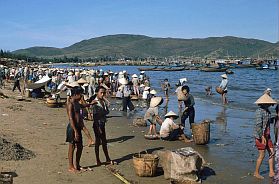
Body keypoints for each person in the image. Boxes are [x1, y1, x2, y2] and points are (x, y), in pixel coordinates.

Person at [253, 94, 277, 179]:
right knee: (262, 154)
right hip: (260, 136)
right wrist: (261, 136)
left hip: (267, 135)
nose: (270, 104)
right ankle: (256, 172)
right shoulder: (259, 112)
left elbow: (268, 121)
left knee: (272, 152)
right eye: (269, 103)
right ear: (263, 103)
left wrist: (275, 118)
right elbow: (258, 125)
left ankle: (271, 171)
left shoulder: (268, 111)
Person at [91, 86, 116, 166]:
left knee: (104, 142)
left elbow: (106, 112)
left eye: (104, 93)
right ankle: (98, 160)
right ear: (97, 93)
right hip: (97, 124)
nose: (102, 94)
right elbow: (95, 117)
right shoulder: (95, 102)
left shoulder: (103, 101)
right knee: (98, 142)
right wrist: (98, 128)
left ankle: (107, 158)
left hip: (102, 124)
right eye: (101, 93)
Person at [66, 87, 86, 173]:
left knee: (80, 146)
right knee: (72, 146)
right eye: (80, 94)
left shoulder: (77, 103)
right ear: (75, 94)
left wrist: (91, 104)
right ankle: (71, 166)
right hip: (72, 128)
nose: (81, 96)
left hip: (78, 127)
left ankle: (77, 164)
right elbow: (70, 118)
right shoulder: (70, 104)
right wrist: (75, 131)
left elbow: (82, 106)